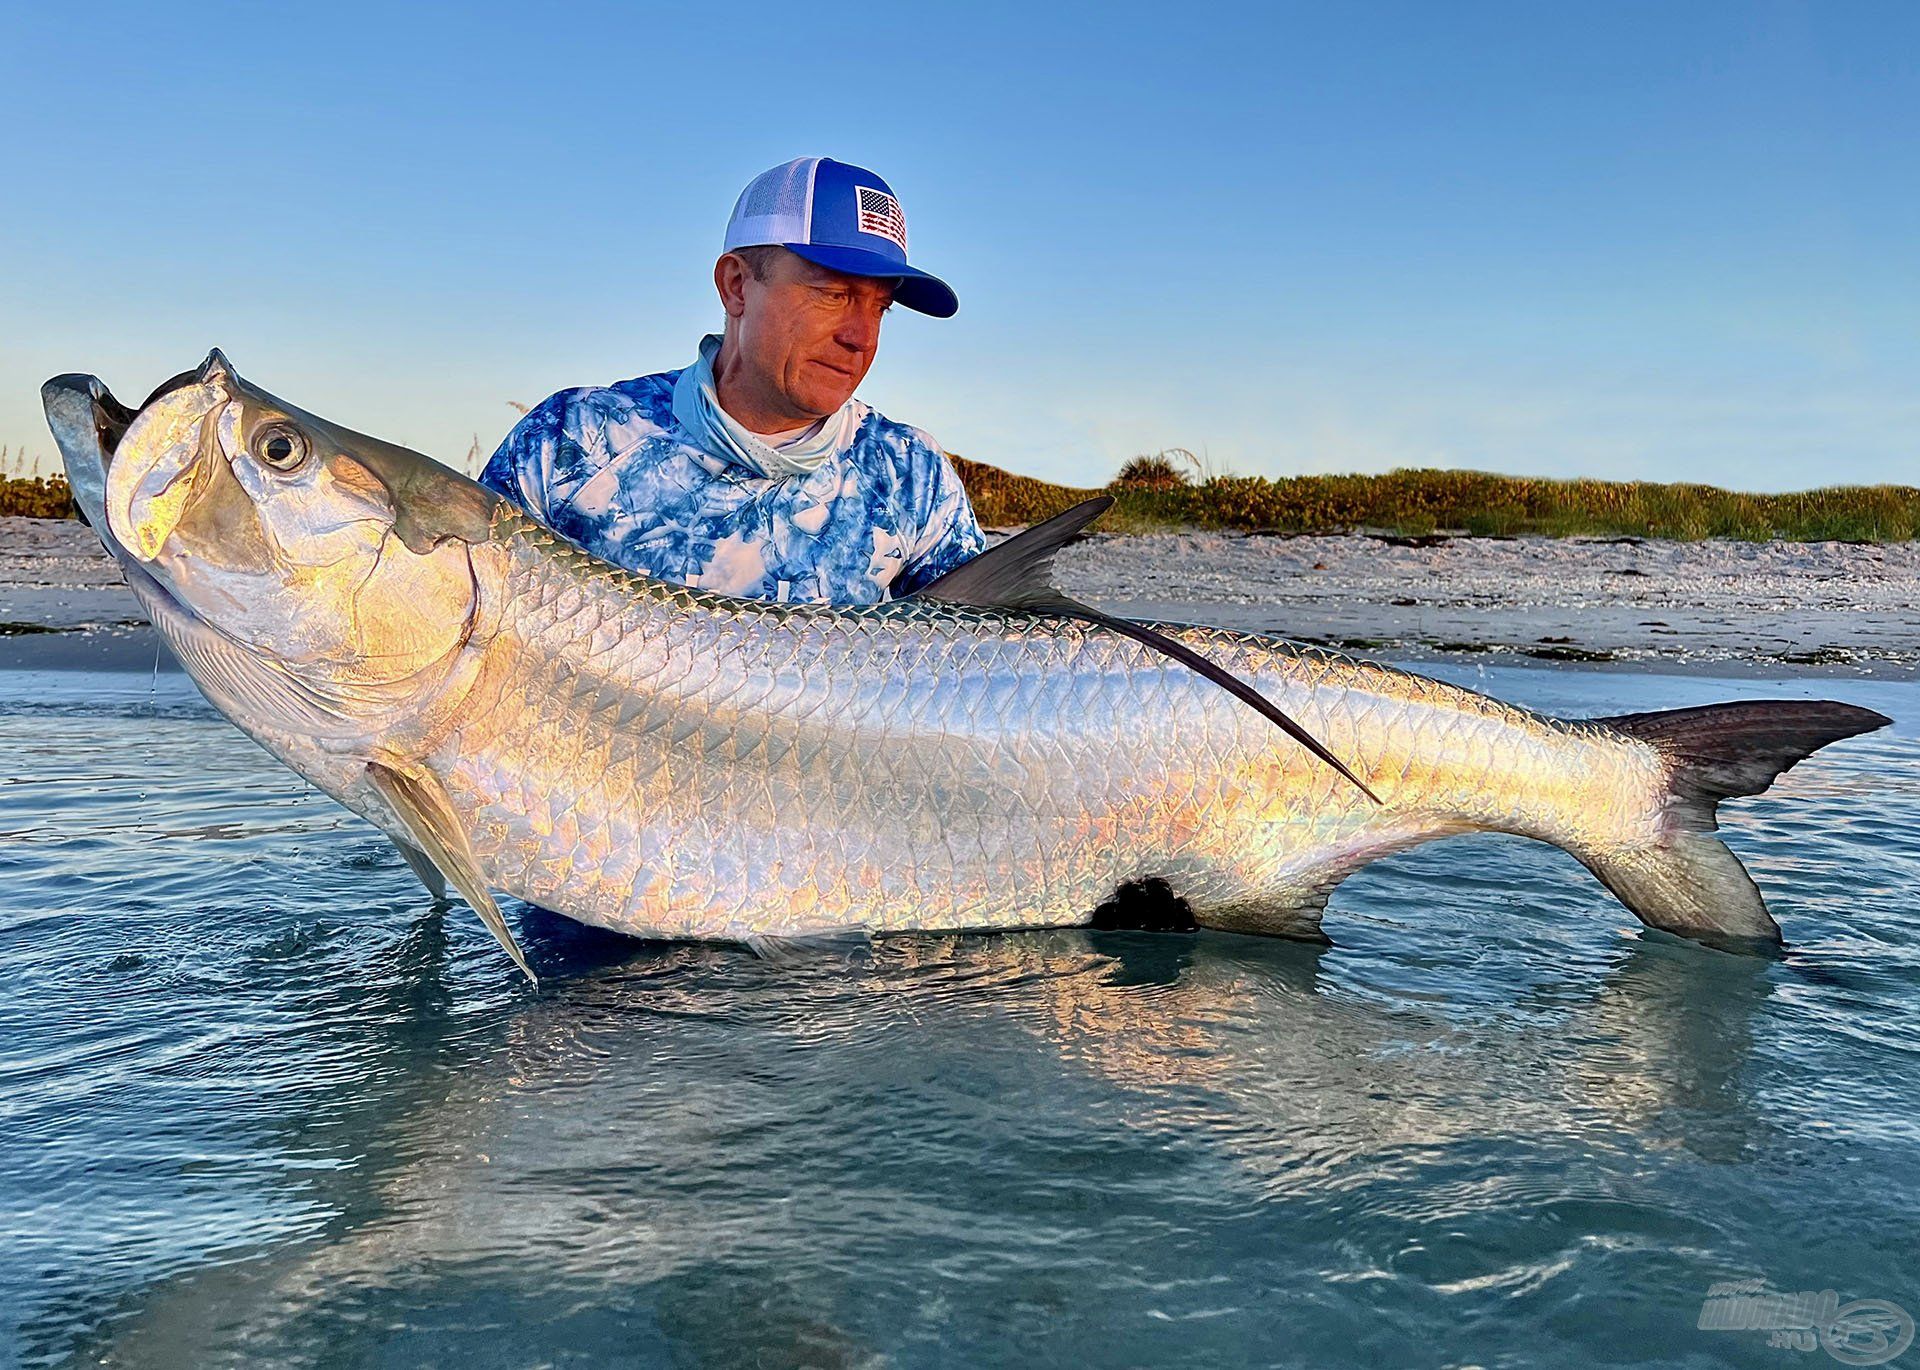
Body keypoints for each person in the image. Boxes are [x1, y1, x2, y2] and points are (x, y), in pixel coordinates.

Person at [481, 157, 987, 604]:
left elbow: (987, 662)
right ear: (737, 286)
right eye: (832, 294)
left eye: (880, 308)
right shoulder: (573, 439)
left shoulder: (910, 473)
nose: (861, 337)